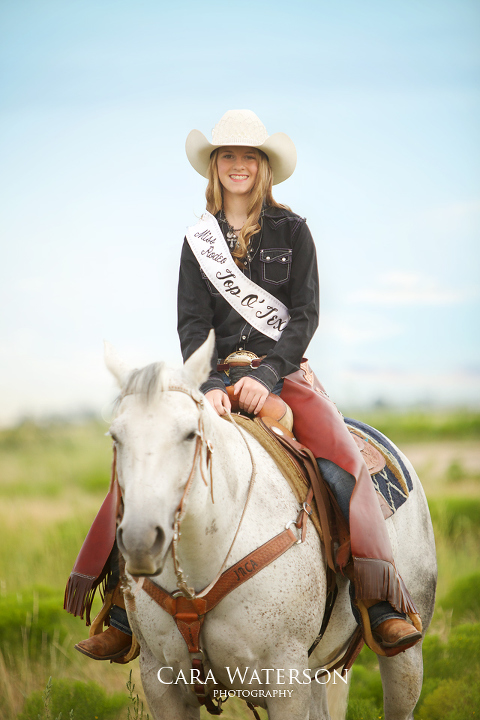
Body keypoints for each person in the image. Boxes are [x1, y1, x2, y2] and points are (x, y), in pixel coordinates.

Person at [74, 109, 421, 662]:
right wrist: (209, 383)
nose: (238, 165)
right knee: (147, 456)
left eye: (249, 157)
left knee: (344, 467)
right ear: (215, 167)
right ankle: (121, 606)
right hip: (213, 378)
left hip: (285, 375)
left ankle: (378, 605)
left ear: (264, 167)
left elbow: (304, 315)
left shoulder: (295, 230)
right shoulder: (198, 242)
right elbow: (192, 324)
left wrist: (264, 375)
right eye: (227, 156)